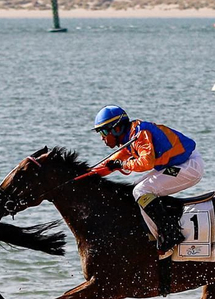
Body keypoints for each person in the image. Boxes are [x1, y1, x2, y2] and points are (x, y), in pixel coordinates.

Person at [78, 106, 203, 253]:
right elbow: (109, 163)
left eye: (104, 131)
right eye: (100, 133)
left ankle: (171, 233)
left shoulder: (140, 134)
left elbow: (146, 163)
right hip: (178, 165)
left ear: (117, 129)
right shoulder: (129, 138)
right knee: (134, 188)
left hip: (189, 165)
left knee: (142, 190)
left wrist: (123, 164)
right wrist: (85, 175)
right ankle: (154, 229)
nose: (102, 138)